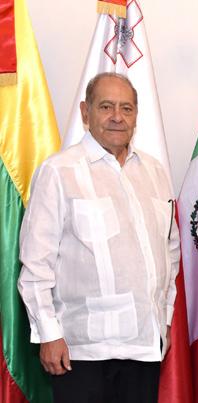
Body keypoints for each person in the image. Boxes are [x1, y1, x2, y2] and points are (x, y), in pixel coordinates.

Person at [18, 72, 180, 403]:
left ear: (136, 115)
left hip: (145, 348)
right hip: (81, 352)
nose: (117, 117)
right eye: (106, 106)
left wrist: (164, 319)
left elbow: (170, 252)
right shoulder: (59, 171)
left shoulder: (155, 172)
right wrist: (48, 334)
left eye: (126, 108)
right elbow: (35, 265)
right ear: (85, 112)